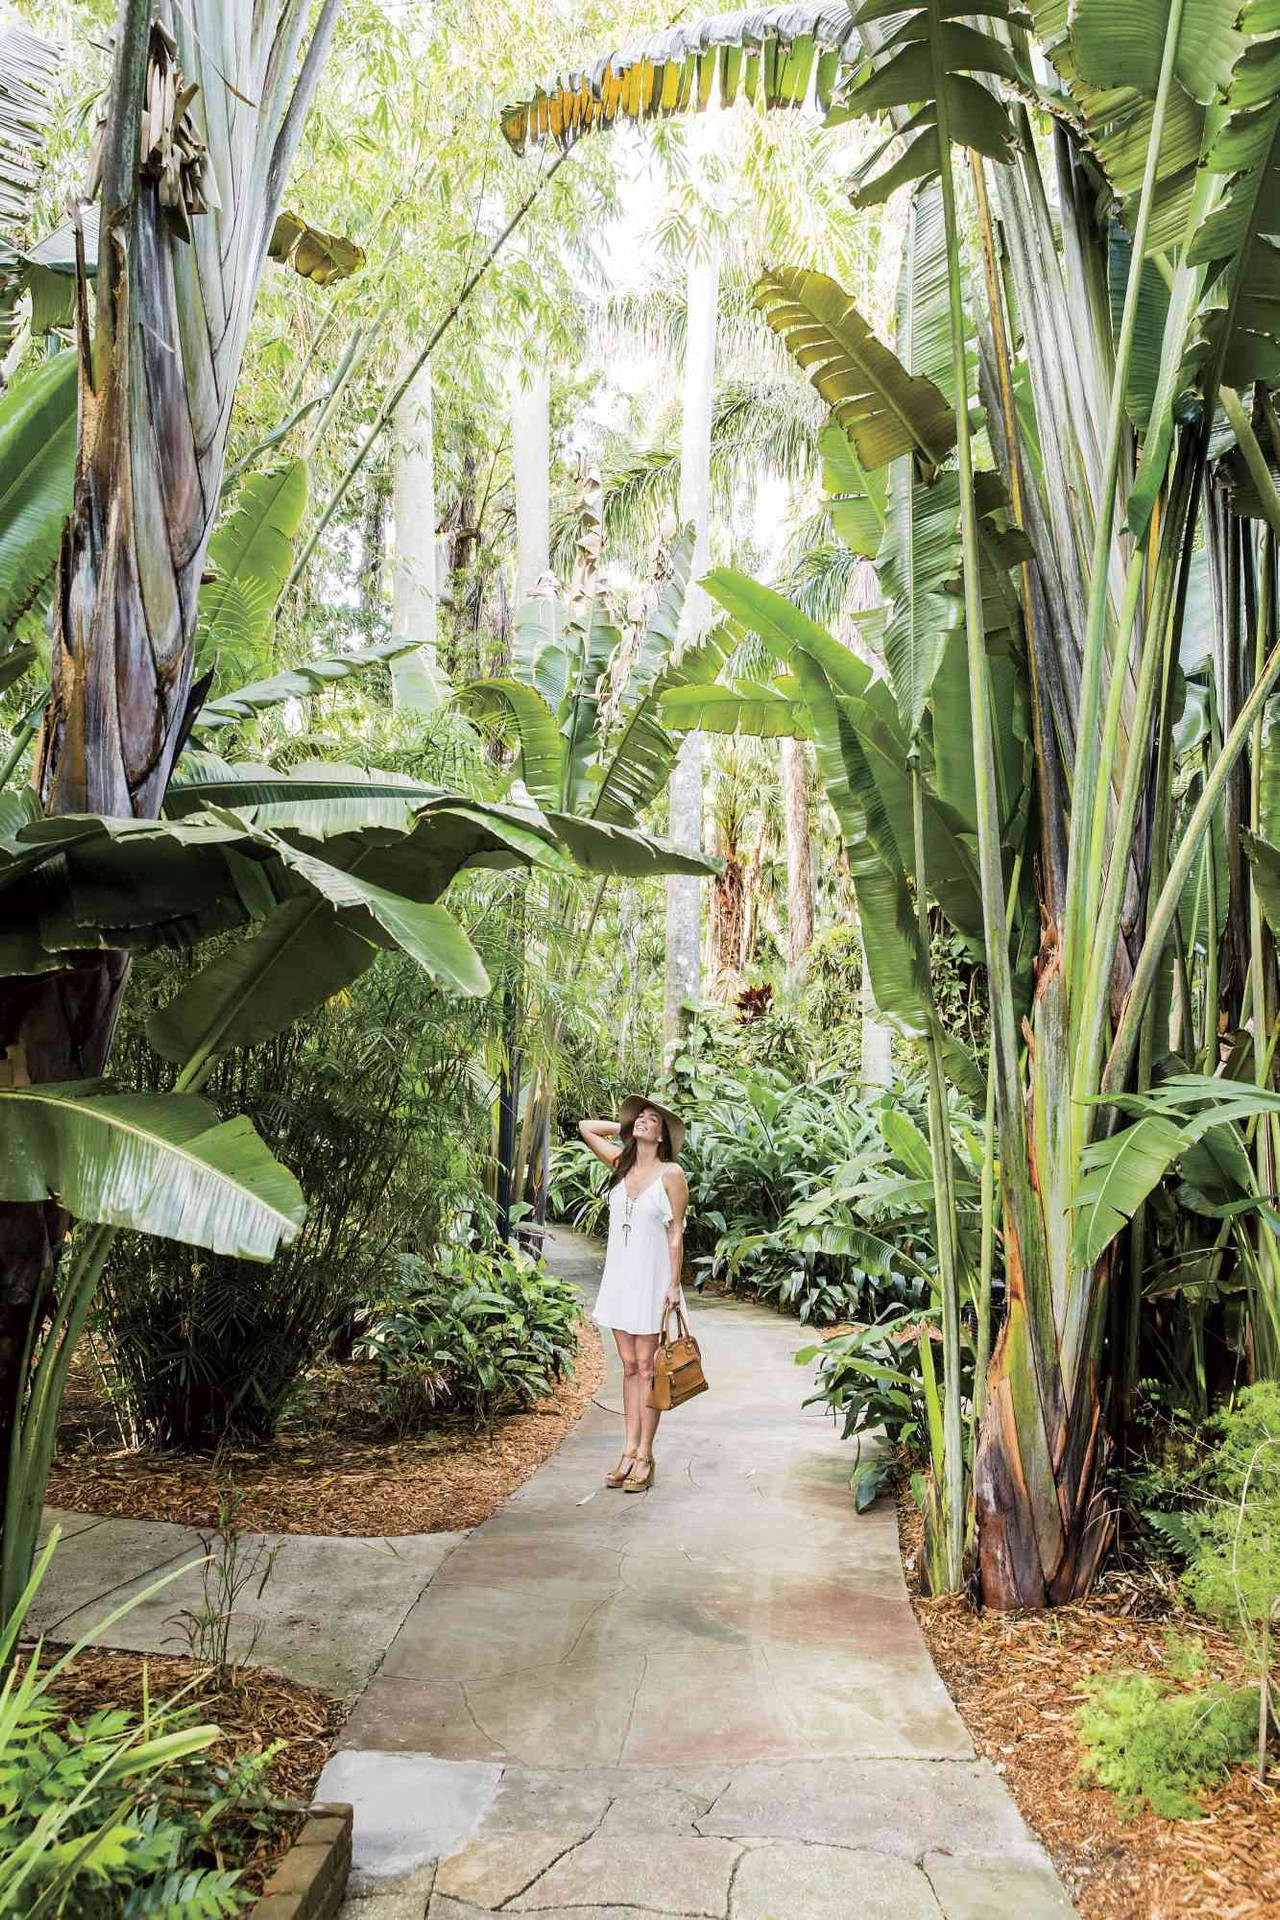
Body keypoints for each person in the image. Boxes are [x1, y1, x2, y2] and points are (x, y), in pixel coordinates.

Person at [578, 1094, 689, 1492]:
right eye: (639, 1118)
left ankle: (645, 1454)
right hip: (620, 1278)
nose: (642, 1121)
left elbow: (676, 1233)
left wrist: (674, 1285)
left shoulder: (671, 1174)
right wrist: (626, 1129)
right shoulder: (620, 1164)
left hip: (653, 1280)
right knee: (627, 1366)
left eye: (651, 1120)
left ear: (662, 1136)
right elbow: (586, 1128)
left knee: (648, 1368)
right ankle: (627, 1449)